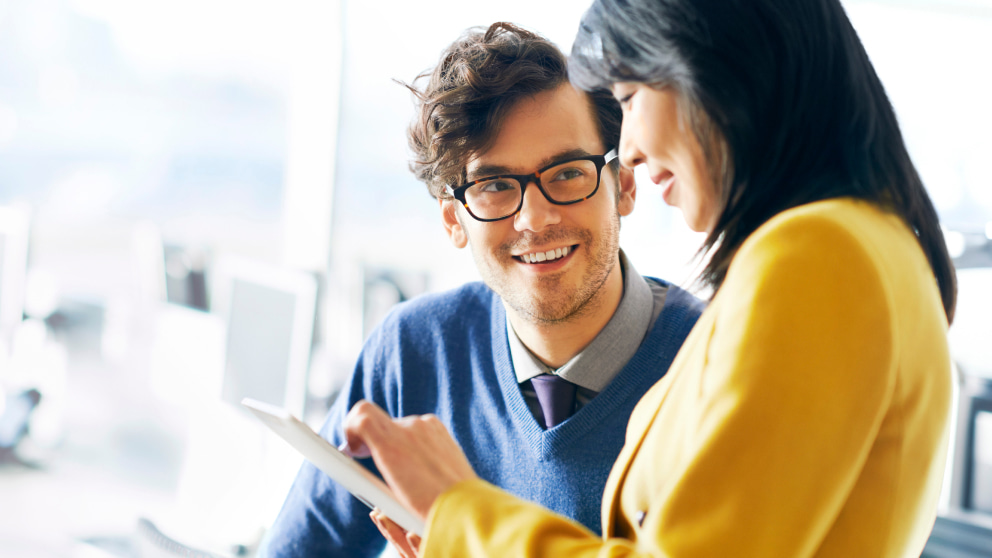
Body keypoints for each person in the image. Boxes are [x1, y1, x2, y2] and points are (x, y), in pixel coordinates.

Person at [341, 1, 959, 557]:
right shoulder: (865, 243)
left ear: (725, 74)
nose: (629, 148)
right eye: (497, 186)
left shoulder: (817, 254)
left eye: (631, 95)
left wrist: (459, 512)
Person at [260, 22, 705, 557]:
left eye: (566, 173)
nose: (534, 219)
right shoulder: (412, 352)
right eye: (495, 186)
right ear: (453, 220)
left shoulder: (714, 365)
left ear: (624, 186)